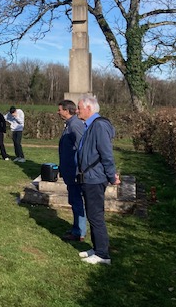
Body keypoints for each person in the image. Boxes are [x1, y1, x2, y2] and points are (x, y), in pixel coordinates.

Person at [76, 94, 120, 265]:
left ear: (89, 108)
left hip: (95, 178)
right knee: (93, 214)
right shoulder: (91, 125)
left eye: (79, 107)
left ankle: (102, 254)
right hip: (89, 177)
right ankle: (96, 248)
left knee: (96, 216)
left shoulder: (99, 126)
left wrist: (111, 175)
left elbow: (106, 154)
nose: (77, 110)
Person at [57, 100, 86, 242]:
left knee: (77, 201)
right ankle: (76, 228)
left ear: (67, 111)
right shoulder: (70, 124)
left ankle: (79, 232)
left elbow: (82, 149)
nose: (58, 112)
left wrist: (79, 169)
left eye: (60, 110)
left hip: (75, 171)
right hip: (69, 170)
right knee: (74, 200)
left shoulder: (75, 126)